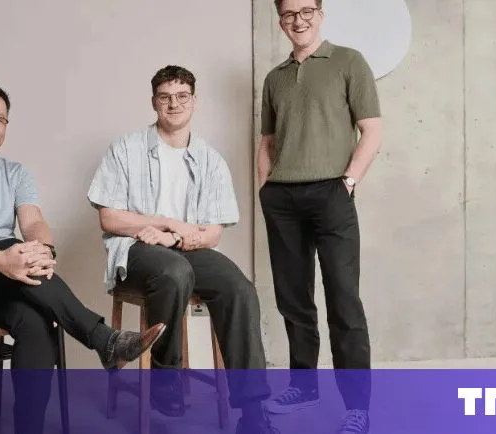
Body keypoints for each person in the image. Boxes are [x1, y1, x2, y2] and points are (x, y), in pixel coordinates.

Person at [0, 82, 165, 434]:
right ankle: (103, 339)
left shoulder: (15, 173)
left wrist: (42, 250)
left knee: (34, 318)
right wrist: (5, 260)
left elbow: (34, 222)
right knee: (7, 246)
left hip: (1, 284)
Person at [87, 65, 278, 434]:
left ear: (194, 100)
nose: (173, 104)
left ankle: (253, 412)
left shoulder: (210, 160)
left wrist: (176, 239)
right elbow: (109, 219)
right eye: (165, 97)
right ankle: (166, 375)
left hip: (183, 250)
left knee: (238, 287)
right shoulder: (126, 149)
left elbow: (212, 234)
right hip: (136, 249)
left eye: (182, 96)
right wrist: (164, 223)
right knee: (174, 271)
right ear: (154, 101)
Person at [257, 1, 383, 433]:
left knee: (343, 301)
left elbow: (372, 129)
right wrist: (265, 188)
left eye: (307, 9)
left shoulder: (349, 61)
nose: (299, 19)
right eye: (290, 13)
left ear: (320, 14)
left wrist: (348, 182)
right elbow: (267, 141)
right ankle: (303, 385)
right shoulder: (274, 78)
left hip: (332, 193)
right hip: (283, 199)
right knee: (293, 298)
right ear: (280, 20)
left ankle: (357, 407)